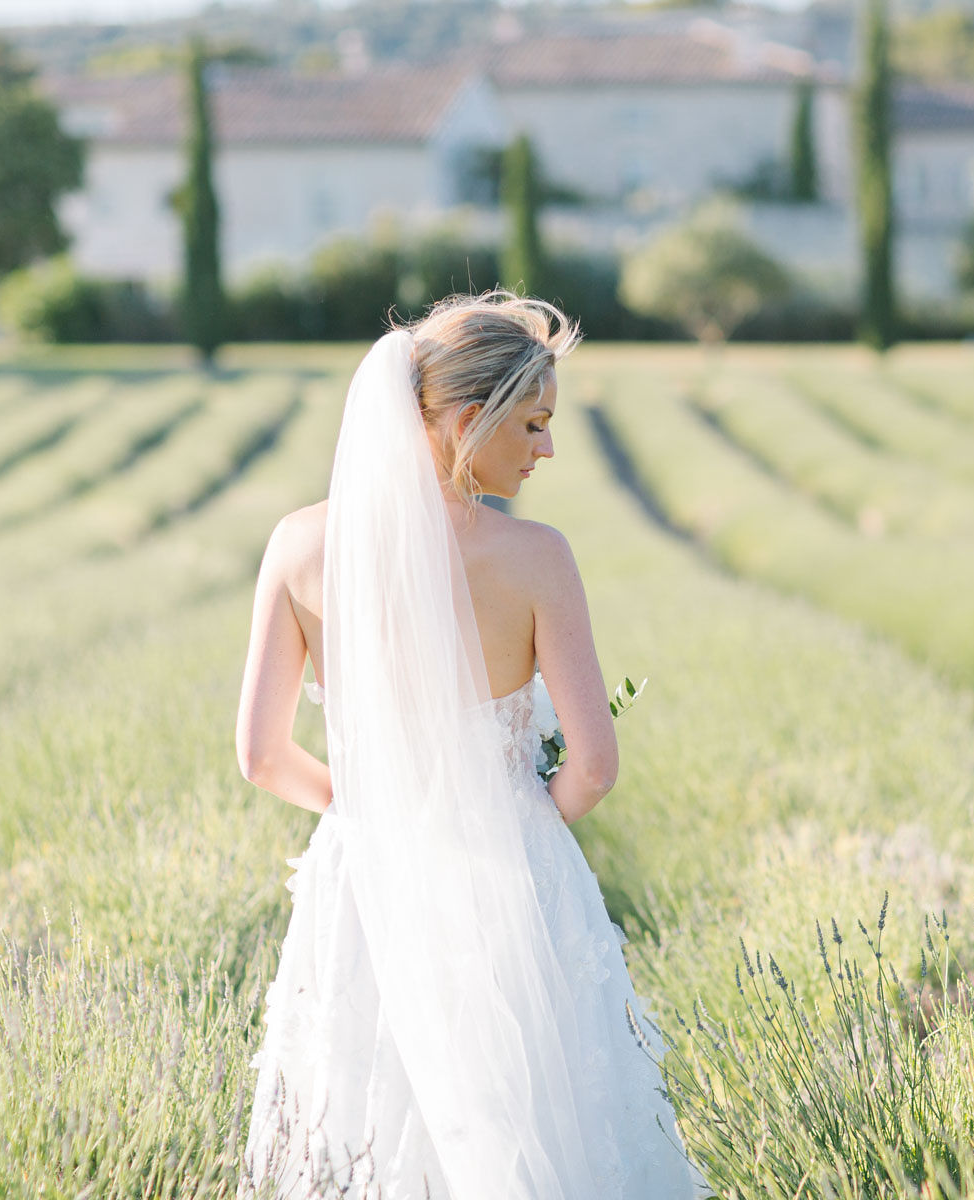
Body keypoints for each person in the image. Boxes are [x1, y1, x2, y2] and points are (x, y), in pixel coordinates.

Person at [234, 291, 708, 1199]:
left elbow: (260, 756)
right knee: (532, 1109)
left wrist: (376, 811)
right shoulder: (536, 557)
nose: (548, 449)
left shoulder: (298, 546)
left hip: (369, 871)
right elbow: (597, 767)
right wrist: (514, 817)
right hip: (510, 870)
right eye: (532, 424)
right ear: (464, 421)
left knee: (367, 1116)